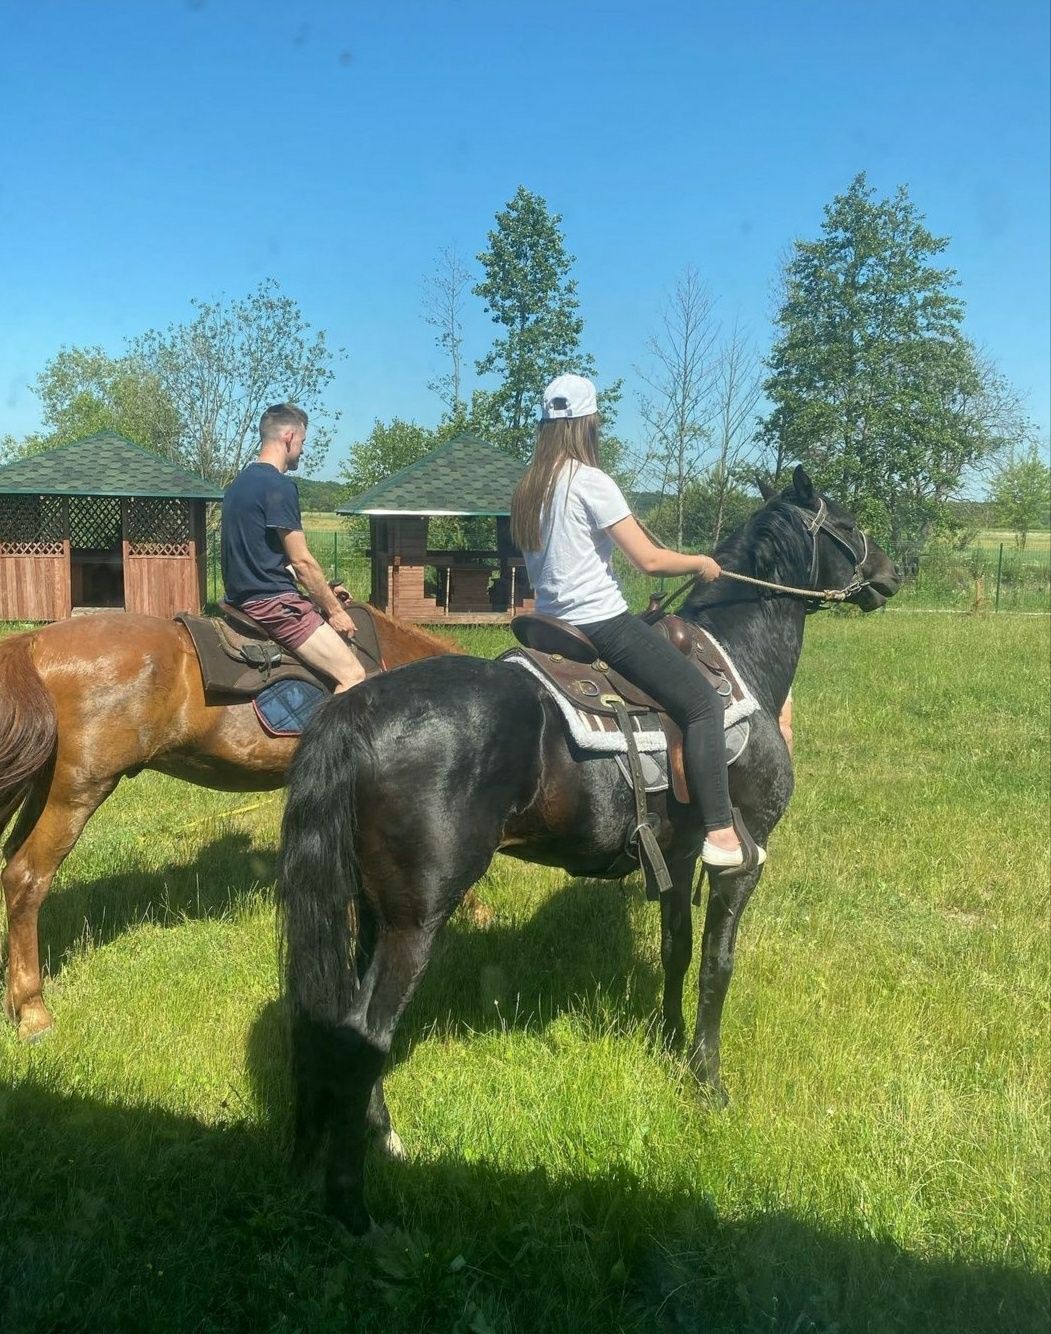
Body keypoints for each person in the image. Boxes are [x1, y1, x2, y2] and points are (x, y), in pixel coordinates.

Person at [511, 374, 765, 874]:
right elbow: (648, 560)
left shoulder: (528, 488)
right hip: (600, 622)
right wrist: (699, 563)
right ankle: (719, 833)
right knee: (698, 703)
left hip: (546, 624)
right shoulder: (590, 481)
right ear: (588, 424)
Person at [221, 403, 365, 693]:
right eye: (302, 442)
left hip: (242, 598)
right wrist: (335, 610)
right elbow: (302, 562)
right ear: (288, 437)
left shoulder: (239, 484)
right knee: (353, 675)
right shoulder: (278, 486)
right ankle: (325, 740)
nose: (302, 449)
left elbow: (269, 557)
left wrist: (324, 591)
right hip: (272, 604)